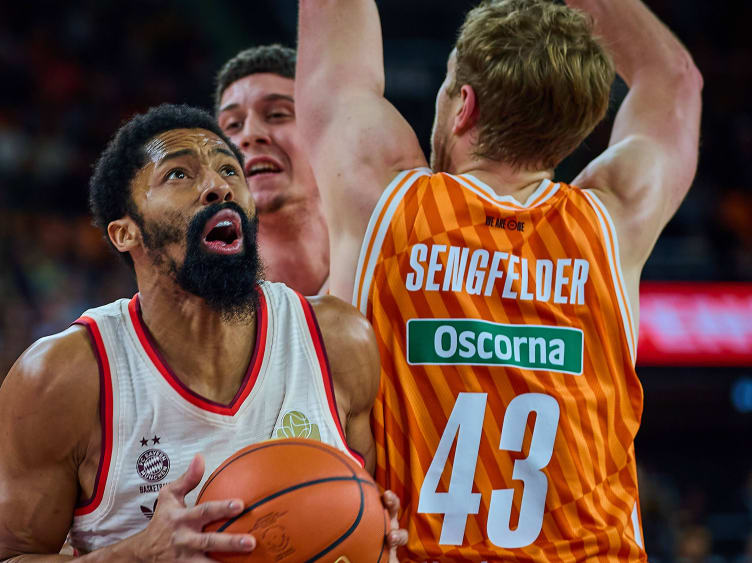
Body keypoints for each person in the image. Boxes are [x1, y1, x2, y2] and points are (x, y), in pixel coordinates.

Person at [296, 0, 701, 560]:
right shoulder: (614, 222)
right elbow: (673, 80)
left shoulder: (383, 198)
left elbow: (334, 46)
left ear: (463, 105)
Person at [0, 104, 405, 560]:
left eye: (229, 169)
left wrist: (371, 532)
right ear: (125, 233)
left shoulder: (337, 340)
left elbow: (359, 524)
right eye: (178, 174)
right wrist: (139, 554)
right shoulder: (65, 378)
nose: (218, 186)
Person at [215, 45, 330, 295]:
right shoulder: (201, 298)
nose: (250, 134)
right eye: (233, 125)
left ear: (327, 133)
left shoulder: (388, 254)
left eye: (277, 114)